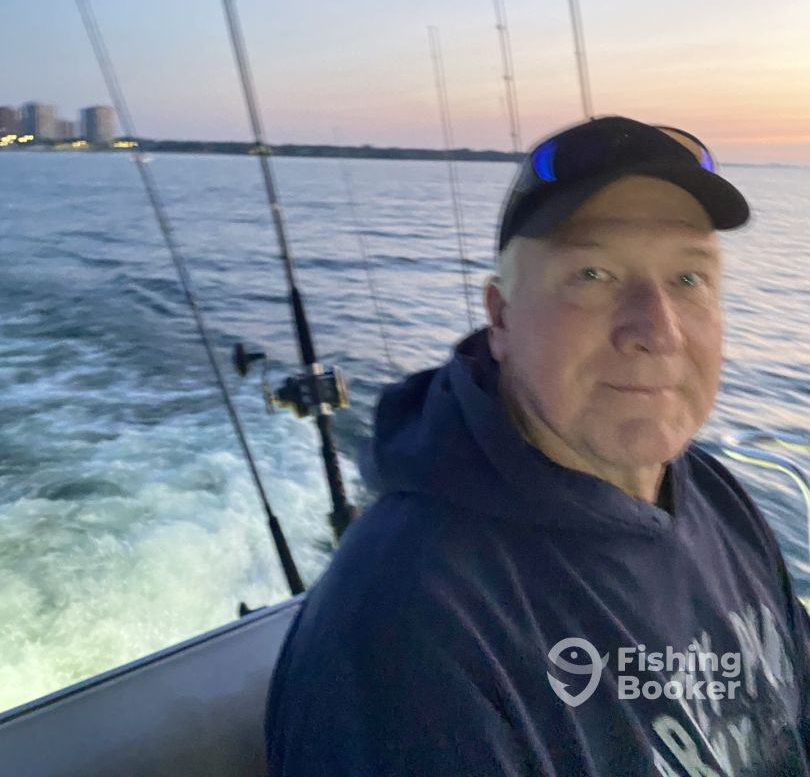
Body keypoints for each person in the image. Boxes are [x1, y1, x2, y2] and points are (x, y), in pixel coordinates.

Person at [266, 115, 810, 776]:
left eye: (689, 279)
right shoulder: (409, 629)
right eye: (593, 273)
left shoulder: (716, 497)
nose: (658, 330)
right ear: (501, 318)